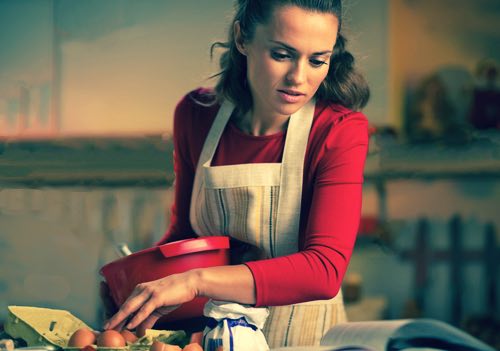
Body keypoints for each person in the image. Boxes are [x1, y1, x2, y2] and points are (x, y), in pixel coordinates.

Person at [104, 0, 370, 347]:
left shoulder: (338, 130)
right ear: (242, 38)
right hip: (211, 339)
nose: (299, 78)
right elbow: (187, 234)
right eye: (281, 54)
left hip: (304, 339)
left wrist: (195, 281)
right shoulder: (196, 115)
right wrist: (135, 281)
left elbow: (324, 271)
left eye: (317, 60)